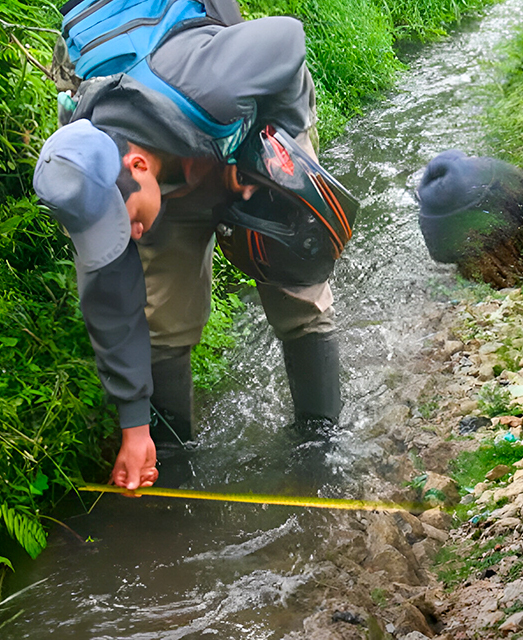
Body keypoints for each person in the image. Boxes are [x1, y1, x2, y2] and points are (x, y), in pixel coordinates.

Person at [33, 2, 342, 491]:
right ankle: (173, 463)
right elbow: (112, 302)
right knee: (163, 318)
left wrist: (264, 150)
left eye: (127, 221)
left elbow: (288, 38)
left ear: (137, 167)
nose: (128, 234)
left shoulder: (210, 85)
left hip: (245, 120)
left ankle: (320, 446)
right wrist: (134, 429)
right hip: (172, 156)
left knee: (295, 286)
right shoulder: (85, 171)